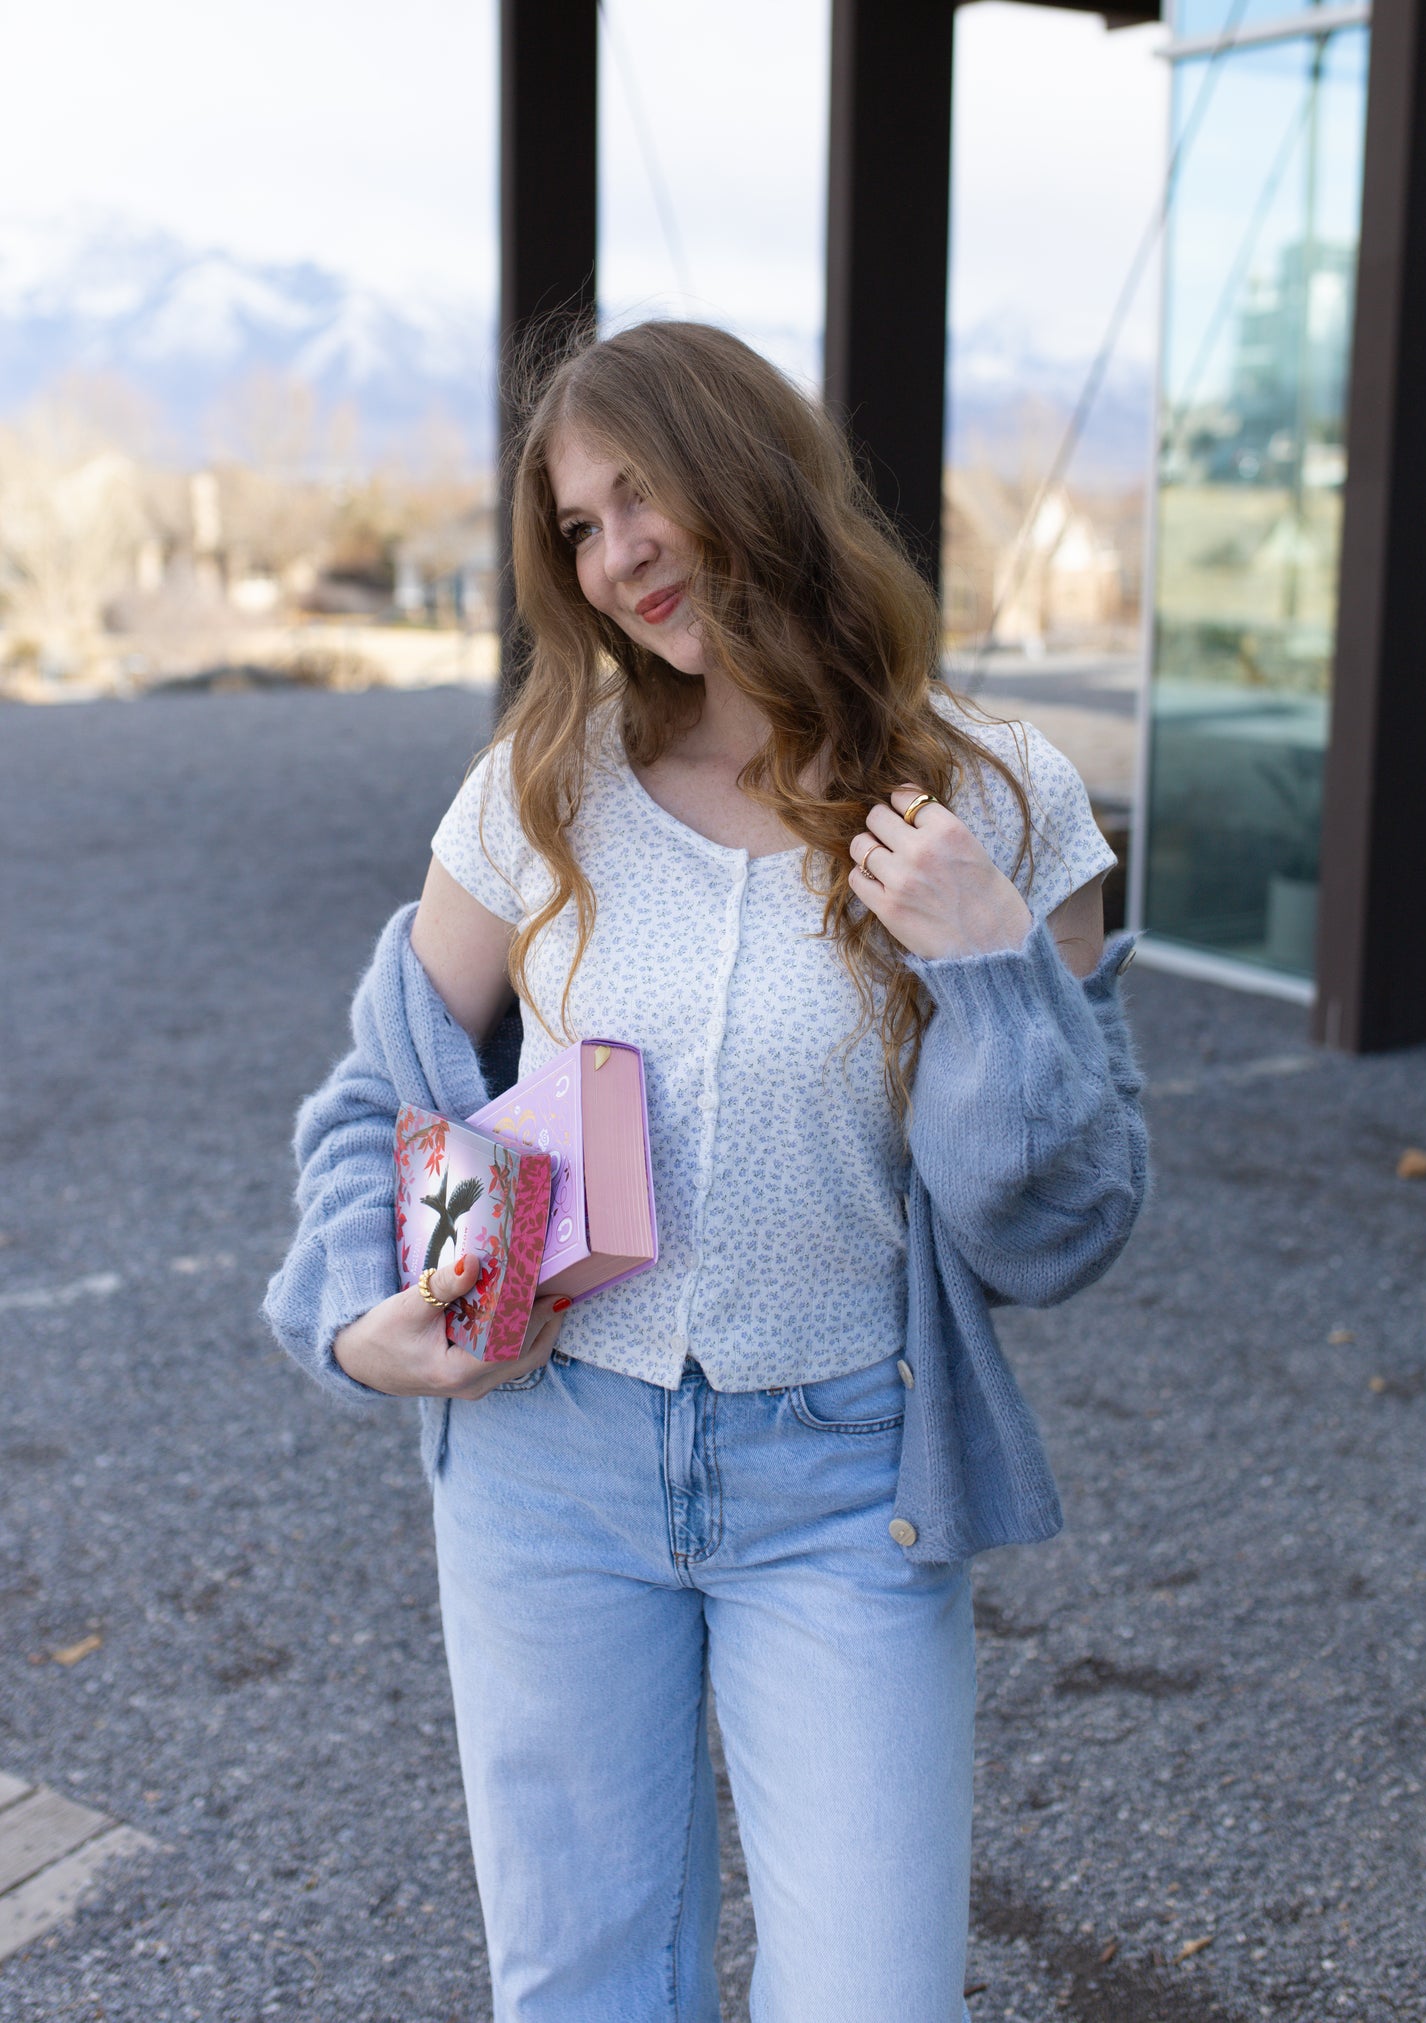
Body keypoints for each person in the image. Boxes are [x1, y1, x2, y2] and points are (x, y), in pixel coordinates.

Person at [264, 319, 1147, 2023]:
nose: (620, 555)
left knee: (874, 1997)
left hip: (841, 1480)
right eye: (579, 528)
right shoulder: (538, 787)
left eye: (642, 491)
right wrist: (356, 1315)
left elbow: (1057, 1226)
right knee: (583, 1984)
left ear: (755, 470)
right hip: (544, 1461)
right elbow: (382, 1085)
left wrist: (987, 964)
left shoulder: (1001, 803)